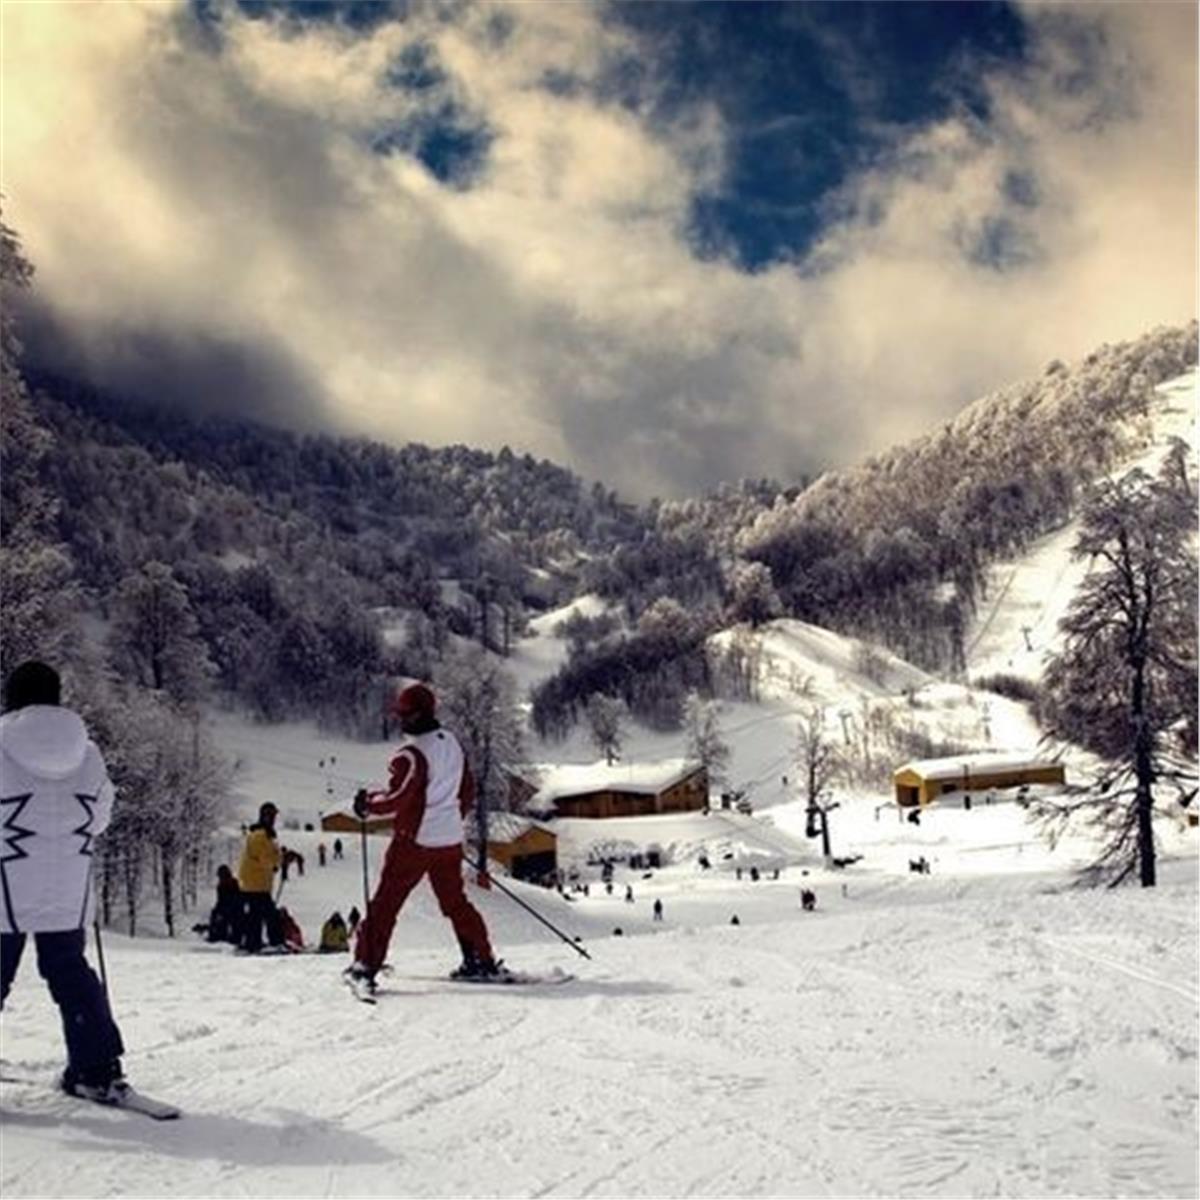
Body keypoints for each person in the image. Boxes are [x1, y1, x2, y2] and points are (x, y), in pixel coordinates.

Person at [0, 661, 128, 1101]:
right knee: (70, 972)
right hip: (67, 885)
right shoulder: (87, 753)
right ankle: (95, 1068)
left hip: (5, 884)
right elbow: (99, 817)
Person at [345, 683, 500, 991]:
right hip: (449, 840)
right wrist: (450, 820)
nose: (400, 720)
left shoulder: (411, 755)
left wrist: (367, 804)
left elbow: (397, 799)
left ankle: (365, 967)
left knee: (386, 904)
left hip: (414, 841)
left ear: (418, 714)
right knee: (455, 902)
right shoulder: (452, 742)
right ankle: (481, 960)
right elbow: (466, 789)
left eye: (404, 714)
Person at [237, 802, 282, 952]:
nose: (274, 819)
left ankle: (254, 942)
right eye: (272, 816)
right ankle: (274, 942)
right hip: (255, 883)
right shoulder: (259, 836)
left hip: (258, 882)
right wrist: (279, 861)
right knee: (269, 914)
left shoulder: (266, 835)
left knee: (257, 914)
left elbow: (270, 856)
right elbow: (265, 858)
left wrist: (279, 858)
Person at [207, 864, 241, 945]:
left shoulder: (234, 883)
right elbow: (220, 900)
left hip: (235, 908)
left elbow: (237, 898)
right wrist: (217, 910)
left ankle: (234, 936)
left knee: (231, 916)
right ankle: (217, 934)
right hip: (225, 908)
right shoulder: (220, 886)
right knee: (215, 914)